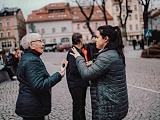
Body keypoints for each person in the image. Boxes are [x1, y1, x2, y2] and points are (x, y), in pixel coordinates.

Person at [70, 25, 129, 120]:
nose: (95, 40)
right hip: (115, 104)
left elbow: (86, 74)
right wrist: (94, 63)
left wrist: (78, 57)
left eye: (97, 37)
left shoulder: (106, 56)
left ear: (106, 39)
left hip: (109, 107)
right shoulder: (113, 52)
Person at [15, 33, 68, 120]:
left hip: (30, 105)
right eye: (40, 41)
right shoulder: (32, 61)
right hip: (33, 108)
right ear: (31, 45)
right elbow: (38, 85)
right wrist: (58, 75)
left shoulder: (28, 58)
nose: (43, 44)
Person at [66, 33, 89, 120]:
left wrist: (85, 64)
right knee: (78, 107)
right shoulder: (73, 52)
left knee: (81, 105)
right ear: (80, 40)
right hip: (76, 84)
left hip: (80, 84)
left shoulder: (77, 51)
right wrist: (85, 67)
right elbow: (74, 69)